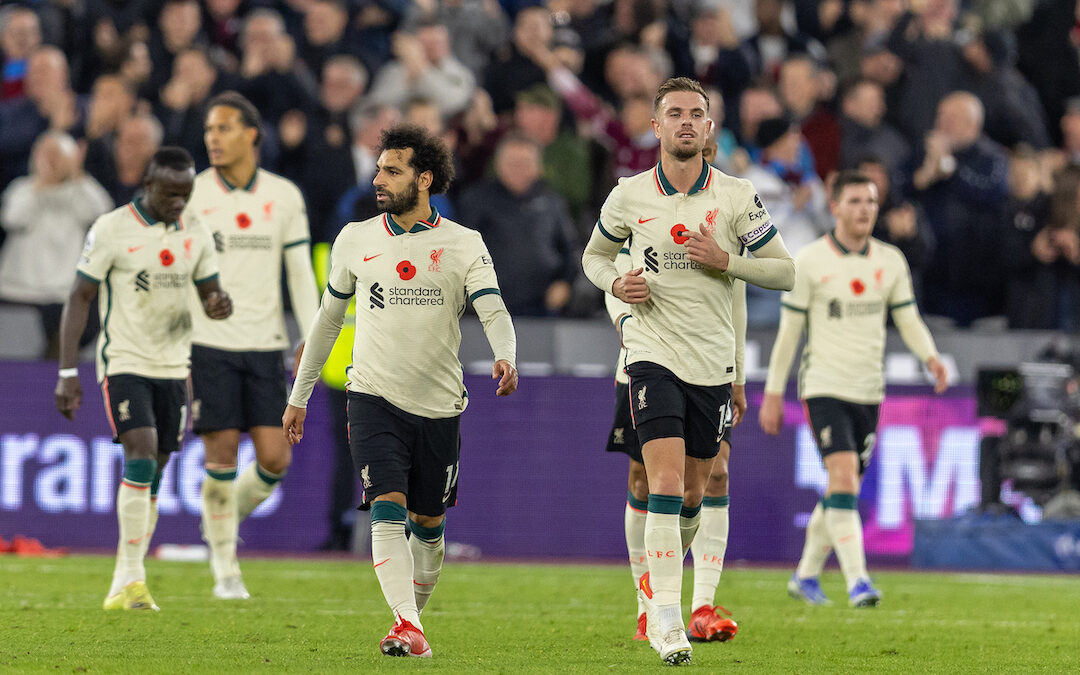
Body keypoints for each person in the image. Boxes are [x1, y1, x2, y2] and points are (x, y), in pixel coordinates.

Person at [282, 124, 518, 659]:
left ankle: (410, 619)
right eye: (379, 167)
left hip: (438, 404)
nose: (379, 178)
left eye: (393, 169)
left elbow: (493, 309)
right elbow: (325, 324)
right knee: (385, 504)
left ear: (425, 178)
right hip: (371, 397)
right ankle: (406, 624)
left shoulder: (463, 243)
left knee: (429, 528)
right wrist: (300, 395)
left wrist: (507, 353)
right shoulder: (355, 238)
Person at [582, 76, 795, 665]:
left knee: (697, 493)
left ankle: (661, 586)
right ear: (655, 126)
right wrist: (615, 286)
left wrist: (726, 260)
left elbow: (784, 273)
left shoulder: (735, 196)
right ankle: (667, 622)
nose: (684, 122)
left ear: (709, 128)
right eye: (673, 112)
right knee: (661, 483)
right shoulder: (628, 196)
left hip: (710, 365)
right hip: (648, 356)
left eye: (695, 113)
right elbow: (594, 258)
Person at [758, 170, 948, 608]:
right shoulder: (809, 260)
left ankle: (805, 576)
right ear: (836, 206)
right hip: (824, 386)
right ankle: (858, 581)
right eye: (856, 201)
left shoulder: (890, 261)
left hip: (869, 391)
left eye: (871, 202)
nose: (864, 209)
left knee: (841, 491)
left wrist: (931, 356)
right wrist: (772, 392)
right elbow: (789, 332)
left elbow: (907, 318)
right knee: (843, 477)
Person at [54, 146, 231, 611]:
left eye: (186, 193)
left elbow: (211, 291)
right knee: (142, 448)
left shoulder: (196, 230)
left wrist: (218, 303)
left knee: (155, 470)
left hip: (175, 365)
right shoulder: (112, 228)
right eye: (171, 194)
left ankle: (123, 579)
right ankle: (132, 576)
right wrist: (68, 371)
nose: (179, 203)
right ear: (149, 184)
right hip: (125, 361)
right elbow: (80, 297)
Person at [185, 91, 320, 600]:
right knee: (219, 454)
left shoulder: (284, 196)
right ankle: (226, 569)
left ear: (252, 135)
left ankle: (216, 522)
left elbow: (300, 272)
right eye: (208, 131)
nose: (213, 139)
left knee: (275, 458)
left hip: (266, 343)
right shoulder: (195, 194)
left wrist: (313, 332)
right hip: (210, 341)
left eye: (223, 128)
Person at [604, 243, 745, 646]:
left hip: (710, 367)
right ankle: (644, 605)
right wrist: (625, 324)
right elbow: (609, 269)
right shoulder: (637, 204)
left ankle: (701, 606)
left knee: (715, 475)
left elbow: (737, 301)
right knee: (645, 482)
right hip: (646, 364)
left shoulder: (723, 212)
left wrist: (740, 375)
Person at [0, 131, 112, 358]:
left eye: (58, 155)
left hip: (66, 293)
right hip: (21, 293)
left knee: (67, 355)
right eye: (46, 155)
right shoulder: (22, 189)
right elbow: (12, 218)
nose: (52, 161)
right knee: (17, 361)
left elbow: (102, 213)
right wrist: (41, 183)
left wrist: (77, 175)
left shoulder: (82, 190)